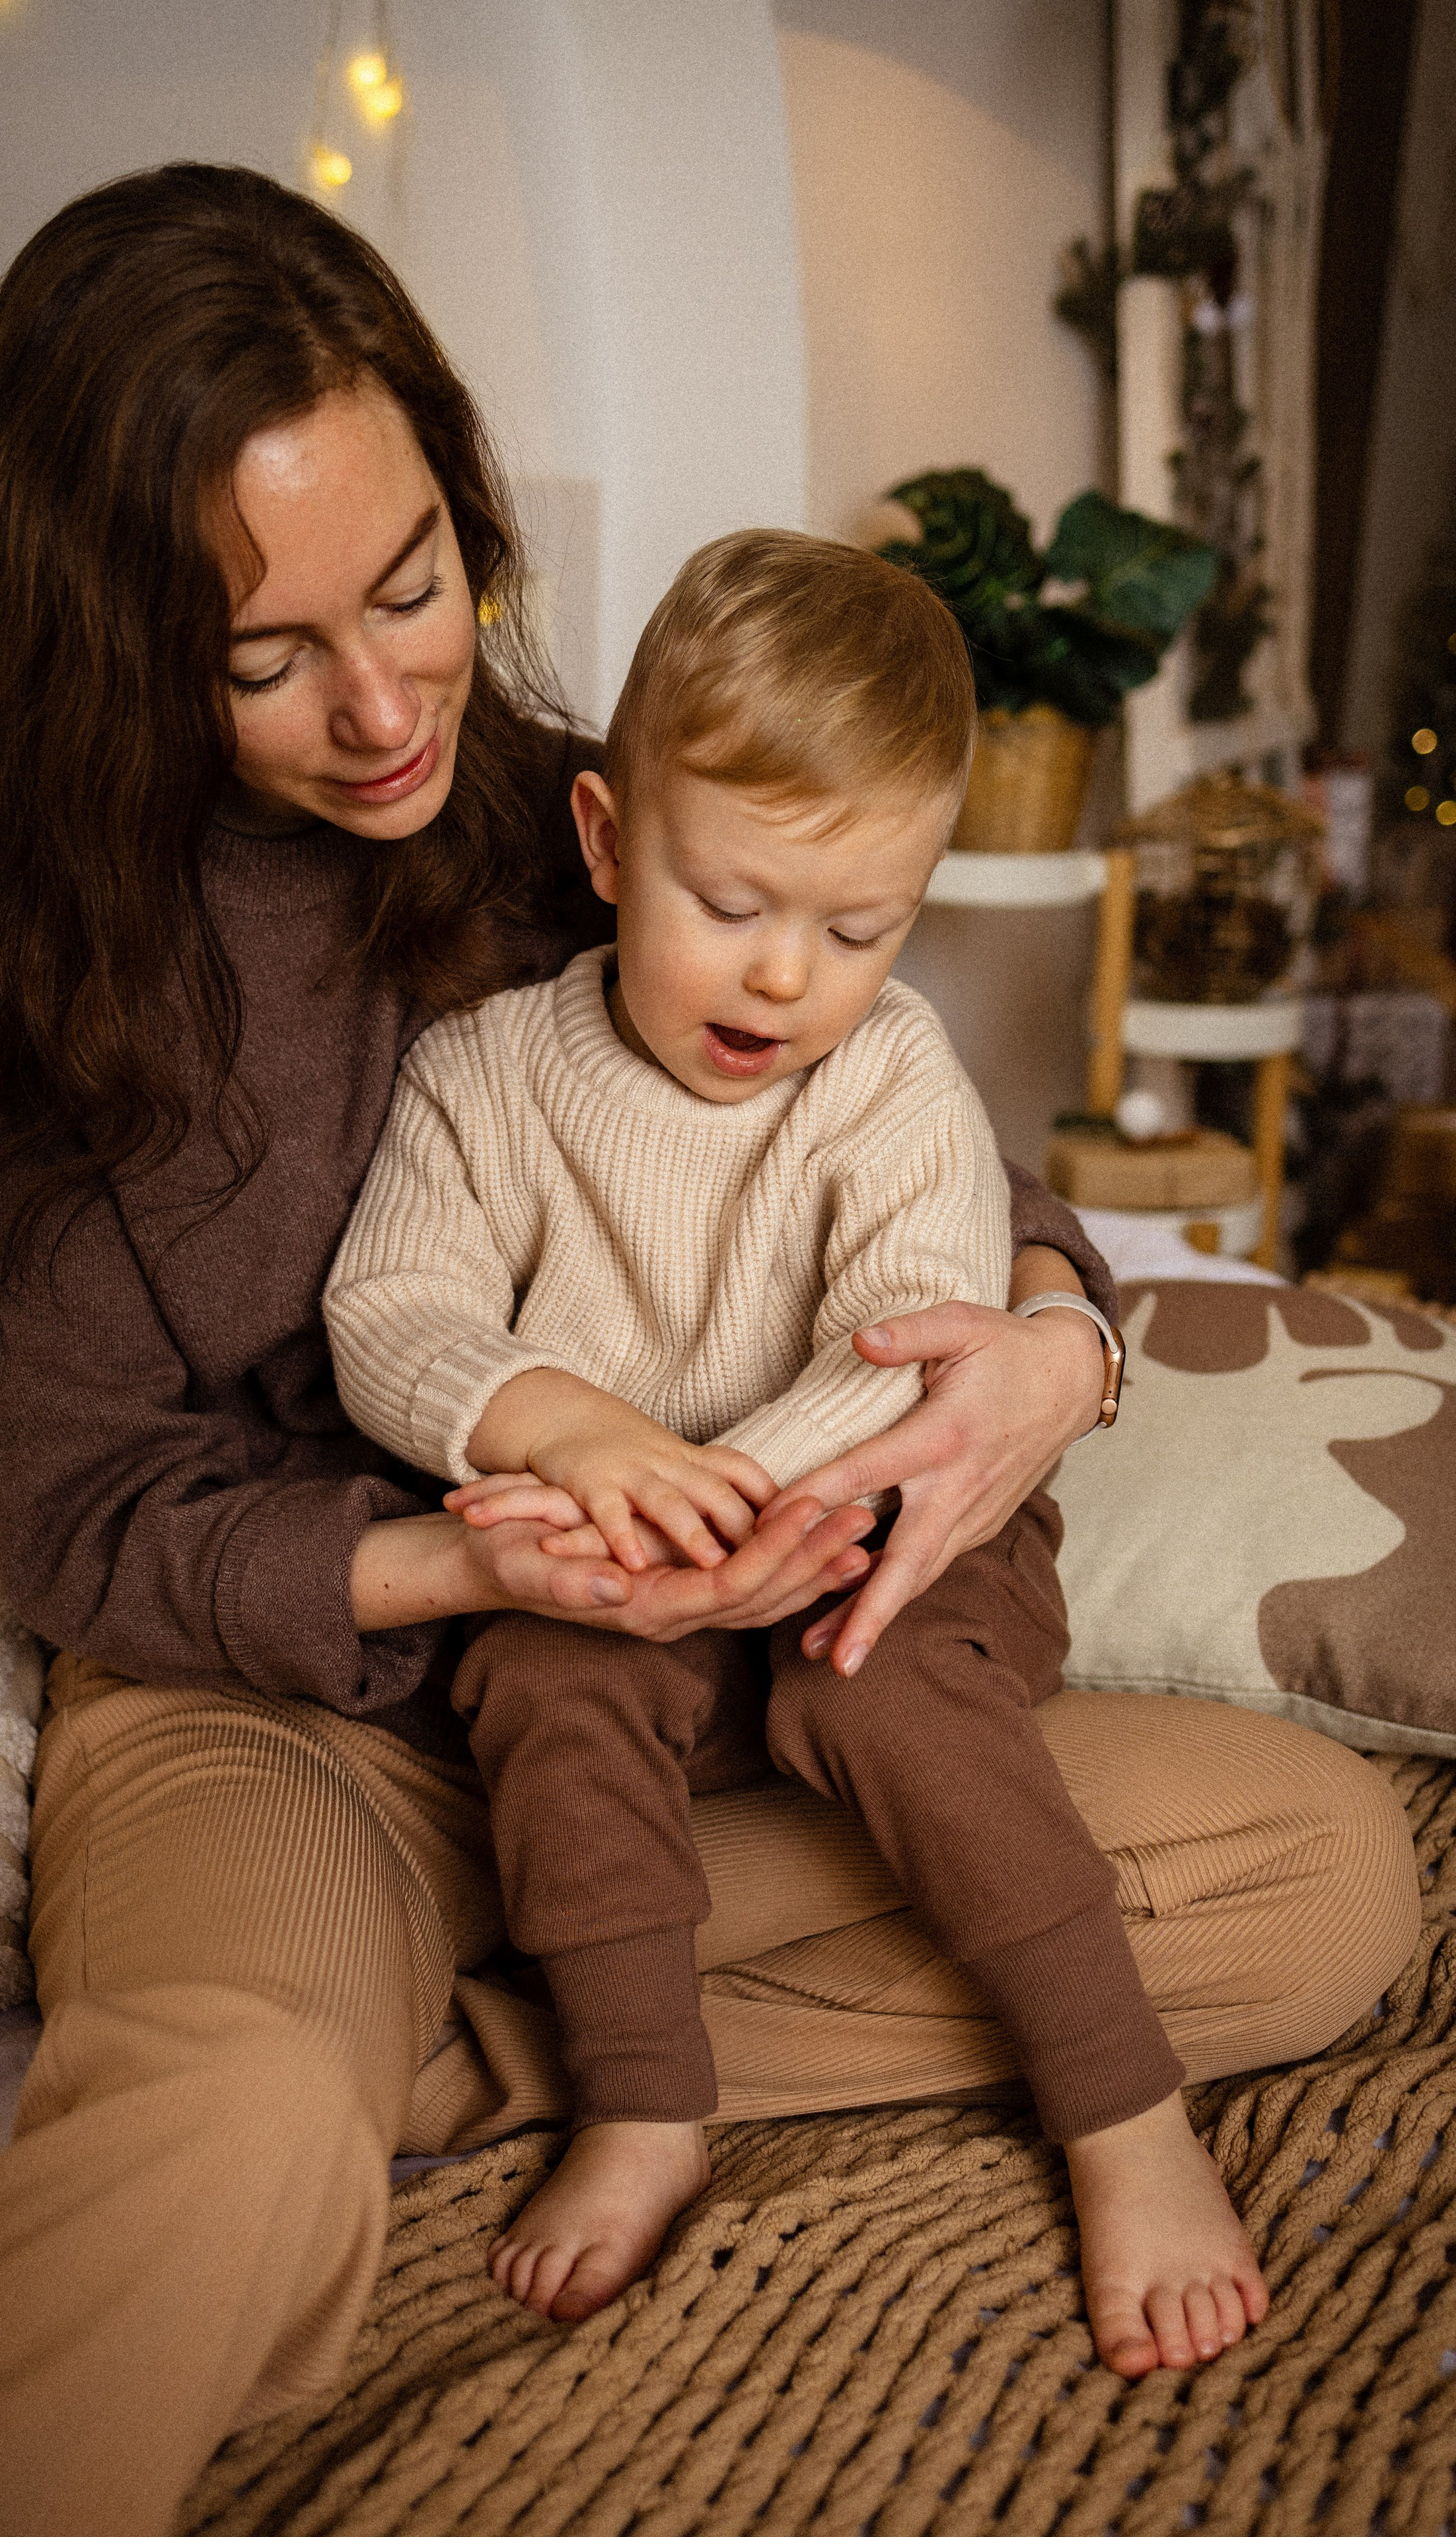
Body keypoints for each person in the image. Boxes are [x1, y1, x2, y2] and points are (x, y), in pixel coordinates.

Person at [0, 165, 1418, 2537]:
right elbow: (102, 1530)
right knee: (225, 2102)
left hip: (708, 1691)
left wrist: (1059, 1344)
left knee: (1323, 1872)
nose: (379, 705)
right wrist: (488, 1565)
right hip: (302, 1712)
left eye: (417, 584)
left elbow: (891, 1131)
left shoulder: (572, 810)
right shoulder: (45, 992)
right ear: (109, 649)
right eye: (264, 659)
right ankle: (326, 2071)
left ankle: (458, 2049)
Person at [322, 525, 1227, 2345]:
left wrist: (757, 1511)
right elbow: (392, 1314)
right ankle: (647, 2098)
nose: (782, 981)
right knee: (542, 1681)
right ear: (603, 843)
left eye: (857, 927)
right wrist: (568, 1431)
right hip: (624, 1565)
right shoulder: (484, 1074)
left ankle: (1126, 2108)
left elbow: (904, 1323)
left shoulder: (889, 1073)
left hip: (876, 1536)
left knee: (868, 1689)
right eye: (729, 906)